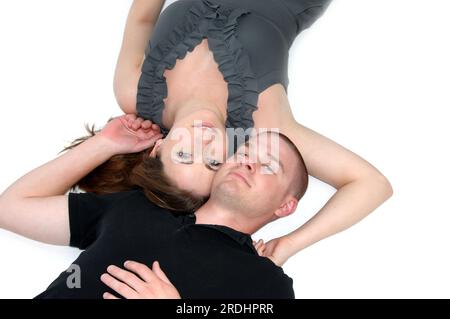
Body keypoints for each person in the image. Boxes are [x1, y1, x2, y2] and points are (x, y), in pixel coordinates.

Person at [111, 0, 393, 266]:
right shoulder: (264, 122)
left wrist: (103, 145)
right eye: (213, 162)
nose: (204, 142)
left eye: (184, 154)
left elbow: (143, 16)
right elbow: (372, 184)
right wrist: (290, 244)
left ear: (158, 148)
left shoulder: (134, 92)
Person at [0, 116, 307, 298]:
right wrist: (105, 143)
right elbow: (10, 209)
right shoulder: (137, 205)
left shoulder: (265, 283)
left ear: (285, 206)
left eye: (270, 165)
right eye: (245, 152)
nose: (249, 162)